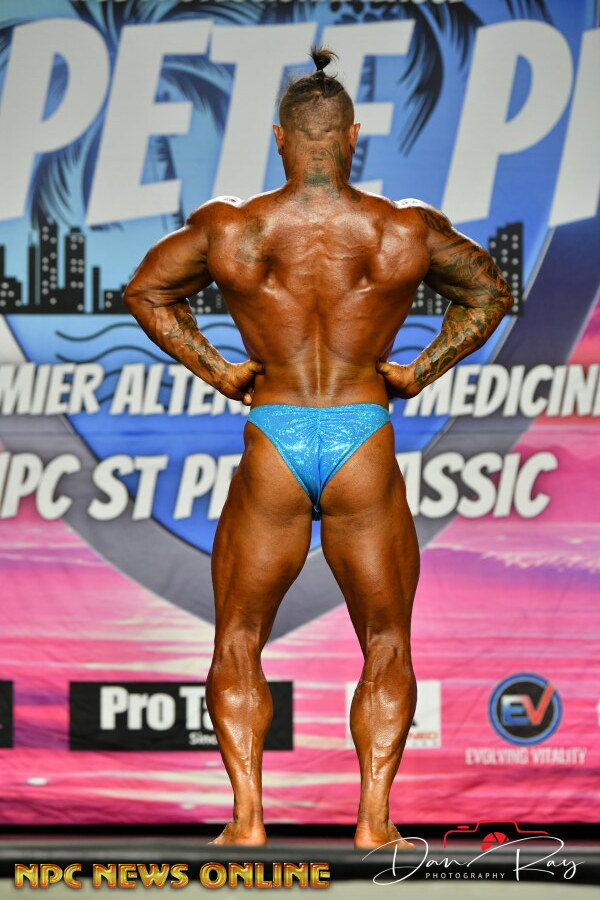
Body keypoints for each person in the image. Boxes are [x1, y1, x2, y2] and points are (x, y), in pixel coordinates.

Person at [124, 46, 514, 848]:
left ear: (279, 138)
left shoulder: (232, 228)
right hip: (360, 434)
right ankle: (374, 821)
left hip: (275, 434)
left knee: (238, 636)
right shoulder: (402, 230)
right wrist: (417, 372)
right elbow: (488, 293)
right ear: (353, 136)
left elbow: (146, 290)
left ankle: (247, 820)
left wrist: (221, 371)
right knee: (387, 640)